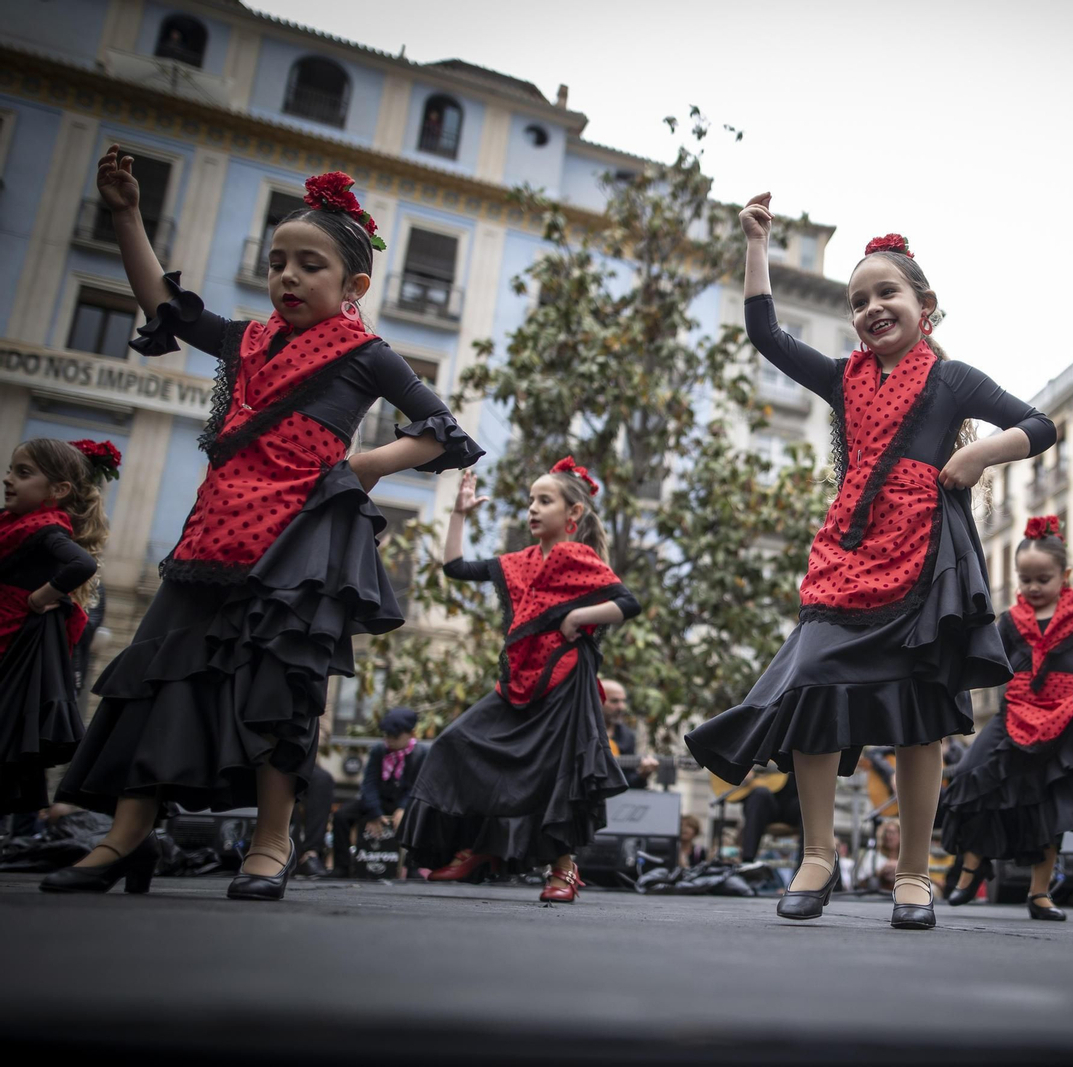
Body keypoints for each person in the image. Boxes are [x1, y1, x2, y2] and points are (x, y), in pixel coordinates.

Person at [46, 155, 482, 901]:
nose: (287, 276)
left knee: (283, 686)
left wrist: (368, 464)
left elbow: (447, 434)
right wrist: (126, 215)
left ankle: (272, 838)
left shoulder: (366, 353)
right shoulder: (246, 340)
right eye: (278, 262)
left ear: (353, 287)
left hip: (296, 544)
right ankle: (126, 835)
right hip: (210, 538)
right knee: (156, 676)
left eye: (309, 265)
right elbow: (167, 309)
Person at [685, 207, 1056, 931]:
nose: (871, 308)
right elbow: (765, 333)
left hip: (925, 556)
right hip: (847, 553)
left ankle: (915, 872)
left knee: (920, 715)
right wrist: (757, 245)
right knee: (814, 683)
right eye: (858, 300)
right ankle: (817, 856)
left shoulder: (953, 380)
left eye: (886, 293)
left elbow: (1041, 424)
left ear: (925, 305)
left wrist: (978, 453)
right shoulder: (841, 377)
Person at [400, 463, 638, 903]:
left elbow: (627, 603)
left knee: (557, 773)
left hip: (565, 680)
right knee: (456, 743)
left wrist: (578, 616)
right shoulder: (520, 562)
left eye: (543, 501)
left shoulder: (578, 558)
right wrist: (459, 514)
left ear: (573, 514)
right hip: (517, 680)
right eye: (530, 500)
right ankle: (478, 848)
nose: (532, 508)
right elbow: (455, 567)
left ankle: (564, 869)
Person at [941, 515, 1073, 921]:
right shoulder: (1010, 619)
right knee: (971, 777)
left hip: (1061, 717)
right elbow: (985, 655)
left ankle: (1040, 893)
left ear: (1065, 575)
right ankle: (972, 867)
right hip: (1012, 714)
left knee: (1050, 804)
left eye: (1043, 579)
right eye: (1026, 579)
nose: (1033, 588)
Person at [1, 439, 113, 816]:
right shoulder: (15, 525)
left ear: (58, 490)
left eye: (23, 472)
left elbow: (82, 565)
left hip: (12, 649)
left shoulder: (46, 529)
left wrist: (39, 597)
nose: (8, 479)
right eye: (11, 470)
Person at [331, 707, 428, 877]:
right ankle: (342, 865)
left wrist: (403, 807)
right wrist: (374, 812)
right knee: (341, 816)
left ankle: (412, 866)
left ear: (411, 734)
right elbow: (369, 783)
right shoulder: (379, 750)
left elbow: (418, 786)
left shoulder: (421, 753)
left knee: (422, 814)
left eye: (395, 736)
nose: (389, 739)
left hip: (406, 802)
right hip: (380, 801)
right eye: (387, 735)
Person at [601, 678, 658, 789]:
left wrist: (643, 775)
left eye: (623, 701)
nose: (621, 707)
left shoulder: (626, 736)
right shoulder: (580, 732)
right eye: (614, 701)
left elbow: (628, 783)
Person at [738, 770, 801, 864]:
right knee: (759, 793)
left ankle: (805, 864)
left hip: (794, 803)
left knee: (807, 804)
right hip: (767, 807)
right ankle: (747, 862)